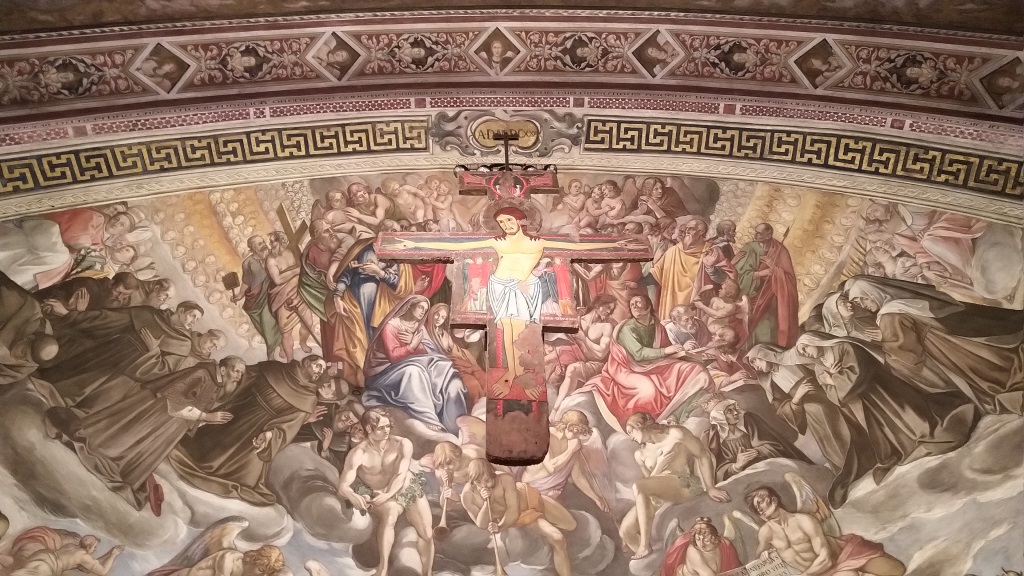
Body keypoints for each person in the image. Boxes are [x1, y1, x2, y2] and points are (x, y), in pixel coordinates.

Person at [388, 206, 643, 385]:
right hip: (500, 287)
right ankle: (511, 375)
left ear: (521, 221)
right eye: (502, 223)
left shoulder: (538, 243)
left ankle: (523, 375)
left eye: (509, 221)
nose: (506, 226)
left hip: (526, 288)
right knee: (507, 331)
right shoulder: (498, 242)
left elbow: (577, 246)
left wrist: (618, 244)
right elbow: (459, 245)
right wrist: (413, 244)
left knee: (523, 332)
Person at [46, 357, 245, 513]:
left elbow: (197, 409)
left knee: (141, 452)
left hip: (170, 427)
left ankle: (121, 464)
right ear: (223, 369)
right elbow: (175, 401)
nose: (238, 376)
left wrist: (205, 419)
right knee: (123, 439)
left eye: (241, 373)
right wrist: (206, 416)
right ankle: (104, 453)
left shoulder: (216, 385)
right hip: (156, 417)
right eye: (236, 371)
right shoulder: (201, 374)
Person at [795, 331, 977, 477]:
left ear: (814, 340)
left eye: (805, 348)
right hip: (864, 403)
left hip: (879, 390)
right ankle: (907, 445)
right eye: (802, 353)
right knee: (887, 426)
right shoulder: (819, 368)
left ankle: (926, 432)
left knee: (905, 413)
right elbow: (832, 395)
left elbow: (858, 372)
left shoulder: (843, 347)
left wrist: (834, 379)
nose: (806, 353)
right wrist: (833, 381)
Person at [846, 275, 1024, 415]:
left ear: (874, 293)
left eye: (864, 299)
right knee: (991, 362)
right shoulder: (900, 303)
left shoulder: (888, 316)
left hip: (944, 348)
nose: (863, 305)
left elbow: (907, 354)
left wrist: (883, 340)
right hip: (951, 340)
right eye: (858, 303)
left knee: (987, 374)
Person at [169, 356, 328, 505]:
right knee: (201, 448)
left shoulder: (309, 398)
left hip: (263, 429)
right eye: (318, 366)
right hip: (241, 411)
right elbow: (244, 376)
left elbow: (290, 424)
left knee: (245, 477)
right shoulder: (275, 368)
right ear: (306, 363)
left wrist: (270, 434)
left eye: (322, 370)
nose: (320, 371)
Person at [746, 344, 876, 508]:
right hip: (811, 407)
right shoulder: (770, 383)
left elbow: (818, 366)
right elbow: (780, 409)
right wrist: (797, 398)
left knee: (849, 421)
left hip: (827, 391)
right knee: (823, 421)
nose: (755, 366)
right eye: (752, 365)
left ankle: (868, 456)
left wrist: (831, 375)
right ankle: (848, 467)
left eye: (755, 360)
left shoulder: (793, 359)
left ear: (766, 353)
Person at [39, 300, 204, 415]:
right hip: (107, 351)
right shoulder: (149, 313)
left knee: (90, 397)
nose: (194, 322)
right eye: (192, 316)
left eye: (197, 320)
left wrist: (153, 351)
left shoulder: (183, 343)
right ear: (181, 311)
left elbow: (165, 371)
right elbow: (109, 318)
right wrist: (68, 314)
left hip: (128, 373)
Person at [578, 295, 713, 428]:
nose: (634, 306)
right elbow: (638, 354)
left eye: (638, 302)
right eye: (632, 305)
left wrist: (684, 350)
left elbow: (668, 351)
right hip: (627, 369)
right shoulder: (627, 328)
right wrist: (666, 351)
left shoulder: (658, 327)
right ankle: (648, 423)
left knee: (696, 370)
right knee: (649, 391)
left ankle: (679, 410)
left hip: (654, 364)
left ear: (648, 307)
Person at [619, 412, 729, 559]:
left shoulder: (675, 433)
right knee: (625, 531)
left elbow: (702, 454)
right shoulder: (640, 454)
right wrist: (660, 465)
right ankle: (659, 562)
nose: (631, 437)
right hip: (661, 492)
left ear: (640, 425)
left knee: (639, 486)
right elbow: (649, 481)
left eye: (631, 431)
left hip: (683, 484)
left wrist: (710, 487)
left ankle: (645, 546)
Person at [338, 409, 434, 576]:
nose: (386, 431)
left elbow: (401, 474)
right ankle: (383, 569)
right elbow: (343, 486)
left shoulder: (402, 444)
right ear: (369, 428)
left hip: (405, 487)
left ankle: (428, 573)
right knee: (390, 515)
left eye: (388, 426)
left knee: (427, 532)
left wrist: (388, 494)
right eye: (381, 428)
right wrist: (352, 495)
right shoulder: (358, 453)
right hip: (377, 493)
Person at [362, 295, 469, 434]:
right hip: (384, 372)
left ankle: (456, 429)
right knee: (414, 371)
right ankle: (428, 418)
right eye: (420, 307)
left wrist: (415, 344)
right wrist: (412, 346)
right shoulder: (391, 326)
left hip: (408, 364)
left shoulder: (419, 328)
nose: (423, 312)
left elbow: (429, 351)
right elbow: (394, 357)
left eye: (425, 310)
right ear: (410, 306)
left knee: (445, 372)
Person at [747, 486, 906, 576]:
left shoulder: (804, 521)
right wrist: (763, 555)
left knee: (897, 570)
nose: (758, 509)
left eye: (760, 502)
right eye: (755, 507)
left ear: (774, 500)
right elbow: (758, 562)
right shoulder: (765, 532)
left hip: (841, 557)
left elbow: (827, 560)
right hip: (819, 574)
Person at [462, 458, 577, 576]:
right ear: (472, 481)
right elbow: (481, 524)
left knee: (571, 525)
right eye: (478, 482)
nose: (484, 485)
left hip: (530, 499)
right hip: (524, 517)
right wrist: (488, 504)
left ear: (492, 473)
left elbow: (513, 510)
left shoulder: (504, 479)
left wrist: (500, 527)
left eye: (487, 480)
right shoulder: (468, 496)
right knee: (558, 539)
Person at [702, 396, 810, 481]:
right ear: (719, 418)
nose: (735, 412)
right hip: (746, 479)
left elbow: (777, 445)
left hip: (771, 468)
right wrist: (736, 467)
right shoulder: (714, 439)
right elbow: (718, 470)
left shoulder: (749, 421)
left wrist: (758, 451)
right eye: (729, 411)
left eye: (734, 409)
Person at [522, 410, 612, 512]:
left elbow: (578, 477)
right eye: (578, 432)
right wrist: (570, 450)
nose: (578, 437)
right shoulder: (545, 436)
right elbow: (551, 467)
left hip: (552, 494)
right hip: (531, 489)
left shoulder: (573, 444)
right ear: (569, 426)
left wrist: (596, 498)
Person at [733, 223, 799, 347]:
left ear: (768, 235)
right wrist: (758, 274)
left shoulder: (780, 250)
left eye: (759, 233)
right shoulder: (749, 248)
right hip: (750, 294)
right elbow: (738, 274)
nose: (755, 235)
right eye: (755, 232)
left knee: (767, 326)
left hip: (770, 296)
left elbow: (789, 279)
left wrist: (773, 266)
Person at [550, 294, 616, 411]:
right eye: (607, 307)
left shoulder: (606, 326)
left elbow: (600, 354)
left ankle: (556, 410)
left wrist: (584, 339)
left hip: (595, 364)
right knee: (551, 360)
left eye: (611, 309)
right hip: (573, 356)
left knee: (572, 369)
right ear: (597, 304)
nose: (609, 311)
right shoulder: (577, 319)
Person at [650, 217, 721, 314]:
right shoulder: (673, 251)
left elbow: (725, 280)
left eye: (691, 229)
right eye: (686, 228)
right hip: (671, 305)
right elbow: (655, 274)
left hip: (696, 307)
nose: (687, 231)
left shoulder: (712, 251)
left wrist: (710, 268)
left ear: (701, 231)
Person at [266, 231, 316, 361]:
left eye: (273, 242)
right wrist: (296, 271)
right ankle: (290, 359)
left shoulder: (293, 252)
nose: (270, 245)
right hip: (282, 298)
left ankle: (303, 342)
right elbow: (277, 280)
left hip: (299, 292)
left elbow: (305, 268)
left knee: (308, 323)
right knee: (286, 330)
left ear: (281, 241)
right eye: (270, 242)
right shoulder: (271, 260)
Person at [425, 303, 485, 407]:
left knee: (481, 376)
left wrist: (464, 357)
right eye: (437, 315)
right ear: (431, 313)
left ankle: (484, 406)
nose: (439, 319)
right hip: (442, 365)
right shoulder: (424, 331)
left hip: (454, 361)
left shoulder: (443, 333)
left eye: (443, 317)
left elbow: (454, 349)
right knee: (472, 384)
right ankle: (475, 408)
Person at [233, 235, 282, 359]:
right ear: (252, 247)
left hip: (270, 295)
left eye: (263, 242)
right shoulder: (248, 263)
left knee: (268, 322)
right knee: (263, 327)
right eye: (259, 244)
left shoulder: (273, 255)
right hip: (254, 299)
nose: (264, 244)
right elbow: (246, 281)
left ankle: (271, 355)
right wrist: (240, 294)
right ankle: (277, 347)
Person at [6, 530, 124, 576]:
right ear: (89, 547)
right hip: (49, 566)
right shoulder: (83, 556)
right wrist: (113, 555)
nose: (95, 550)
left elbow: (86, 568)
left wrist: (108, 553)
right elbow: (102, 572)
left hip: (43, 555)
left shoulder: (71, 546)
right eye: (94, 547)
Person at [660, 517, 742, 576]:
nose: (701, 544)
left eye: (706, 540)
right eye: (698, 539)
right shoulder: (693, 552)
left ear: (714, 537)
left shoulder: (723, 546)